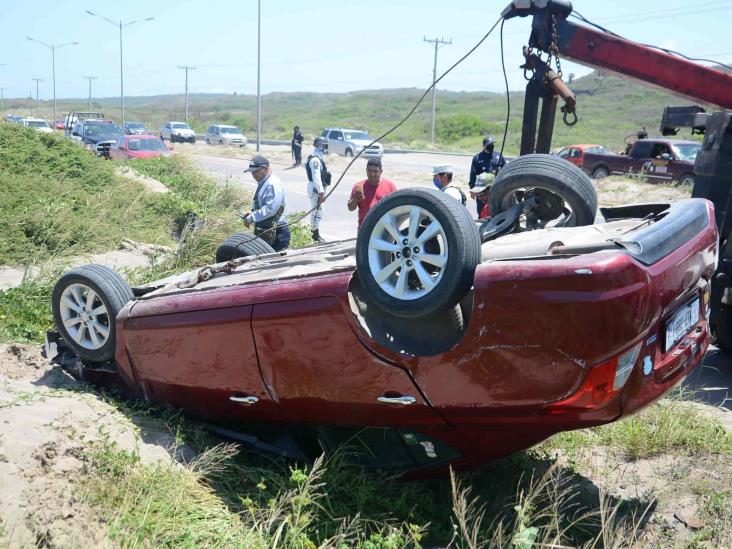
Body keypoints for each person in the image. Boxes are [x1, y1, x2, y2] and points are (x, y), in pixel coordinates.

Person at [241, 155, 291, 251]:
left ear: (265, 168)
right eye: (252, 172)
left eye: (256, 171)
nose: (253, 175)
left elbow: (270, 209)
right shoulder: (265, 182)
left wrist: (252, 217)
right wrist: (252, 213)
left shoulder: (272, 184)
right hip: (269, 231)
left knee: (273, 263)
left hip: (277, 233)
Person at [348, 158, 397, 228]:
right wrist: (355, 199)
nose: (372, 174)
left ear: (381, 171)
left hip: (384, 229)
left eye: (375, 171)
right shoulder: (359, 186)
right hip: (364, 229)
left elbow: (397, 208)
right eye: (369, 171)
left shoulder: (390, 186)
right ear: (366, 170)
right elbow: (351, 208)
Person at [469, 135, 506, 215]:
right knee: (482, 213)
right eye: (489, 145)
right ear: (484, 146)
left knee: (496, 212)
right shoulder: (477, 158)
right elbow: (473, 175)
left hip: (496, 189)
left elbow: (505, 169)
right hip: (482, 191)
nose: (491, 146)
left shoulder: (498, 156)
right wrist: (473, 190)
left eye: (492, 144)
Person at [305, 136, 331, 243]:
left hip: (317, 189)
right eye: (325, 146)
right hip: (316, 190)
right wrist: (321, 192)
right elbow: (316, 177)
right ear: (320, 146)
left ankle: (314, 233)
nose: (326, 148)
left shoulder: (317, 158)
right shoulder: (315, 160)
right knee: (317, 212)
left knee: (318, 212)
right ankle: (314, 235)